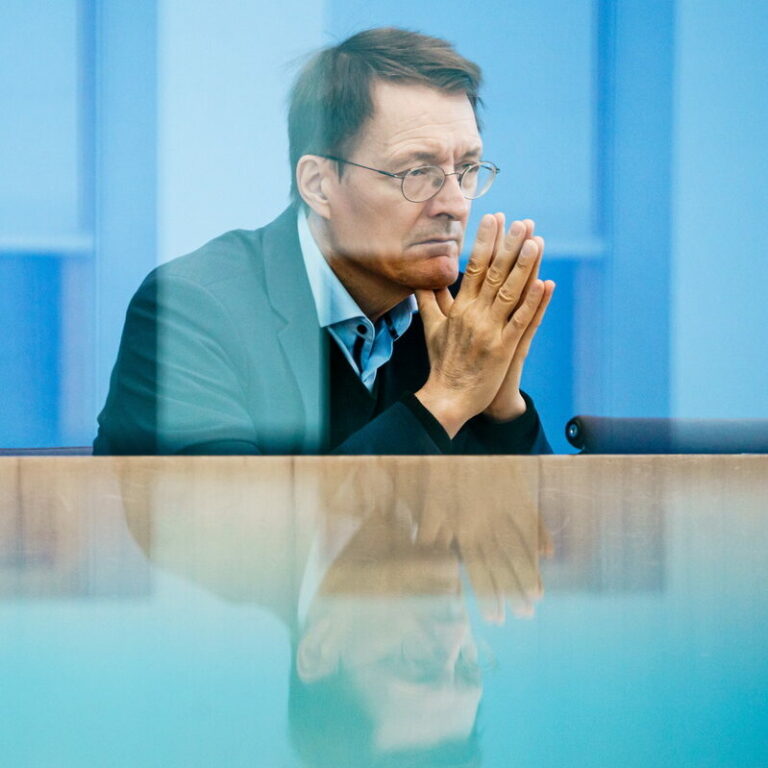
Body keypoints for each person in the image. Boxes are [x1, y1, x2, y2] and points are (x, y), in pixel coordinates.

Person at [93, 27, 555, 456]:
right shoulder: (194, 308)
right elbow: (231, 529)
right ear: (319, 184)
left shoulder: (454, 314)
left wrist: (502, 411)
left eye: (467, 169)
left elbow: (546, 538)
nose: (455, 204)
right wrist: (447, 397)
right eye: (418, 172)